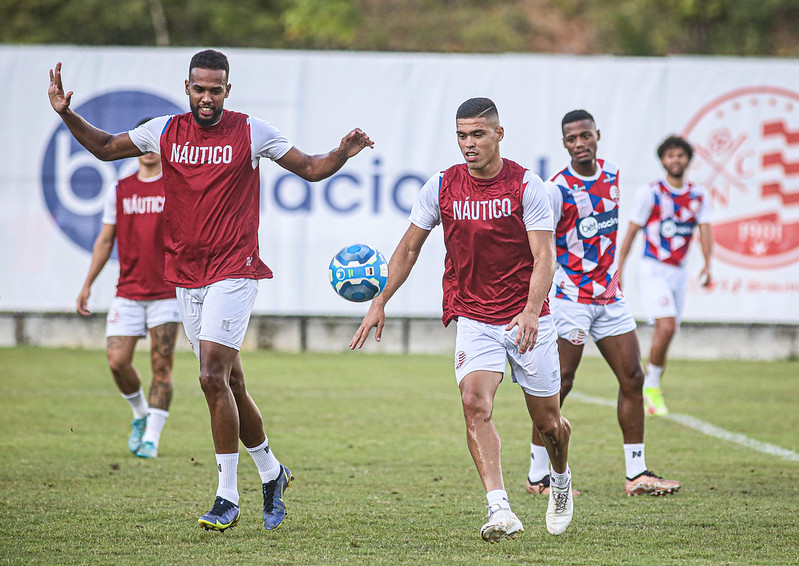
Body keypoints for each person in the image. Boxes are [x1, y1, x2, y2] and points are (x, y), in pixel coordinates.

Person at [49, 49, 373, 532]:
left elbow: (309, 167)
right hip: (187, 275)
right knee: (231, 383)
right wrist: (66, 113)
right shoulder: (163, 130)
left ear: (227, 90)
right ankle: (272, 471)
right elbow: (104, 147)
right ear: (187, 88)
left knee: (209, 376)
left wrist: (341, 154)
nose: (207, 97)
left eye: (215, 89)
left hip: (234, 270)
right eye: (199, 89)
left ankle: (226, 495)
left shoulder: (251, 131)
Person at [351, 97, 574, 541]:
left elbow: (544, 255)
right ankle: (499, 509)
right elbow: (409, 247)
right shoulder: (440, 186)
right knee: (474, 402)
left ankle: (562, 481)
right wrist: (380, 300)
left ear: (498, 134)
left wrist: (531, 310)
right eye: (461, 135)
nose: (468, 144)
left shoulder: (527, 186)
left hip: (526, 317)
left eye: (477, 134)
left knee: (549, 424)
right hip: (473, 315)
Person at [524, 110, 681, 497]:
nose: (579, 143)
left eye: (585, 136)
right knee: (558, 384)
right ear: (564, 144)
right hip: (570, 299)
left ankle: (637, 473)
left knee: (633, 378)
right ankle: (537, 476)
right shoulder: (555, 188)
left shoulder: (612, 175)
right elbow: (541, 246)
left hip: (610, 299)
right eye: (571, 139)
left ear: (597, 135)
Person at [77, 124, 180, 459]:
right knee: (117, 361)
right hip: (129, 292)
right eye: (143, 142)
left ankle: (152, 437)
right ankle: (140, 414)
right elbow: (106, 240)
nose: (149, 149)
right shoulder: (120, 190)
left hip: (167, 292)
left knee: (161, 366)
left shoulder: (176, 187)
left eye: (154, 144)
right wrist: (88, 283)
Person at [617, 135, 713, 416]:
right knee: (667, 325)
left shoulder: (698, 196)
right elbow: (632, 231)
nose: (675, 160)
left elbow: (705, 230)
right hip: (653, 268)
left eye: (680, 155)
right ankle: (652, 388)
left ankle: (652, 385)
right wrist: (618, 269)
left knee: (668, 330)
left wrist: (708, 265)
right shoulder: (652, 193)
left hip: (679, 272)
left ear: (688, 160)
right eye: (670, 155)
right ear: (662, 161)